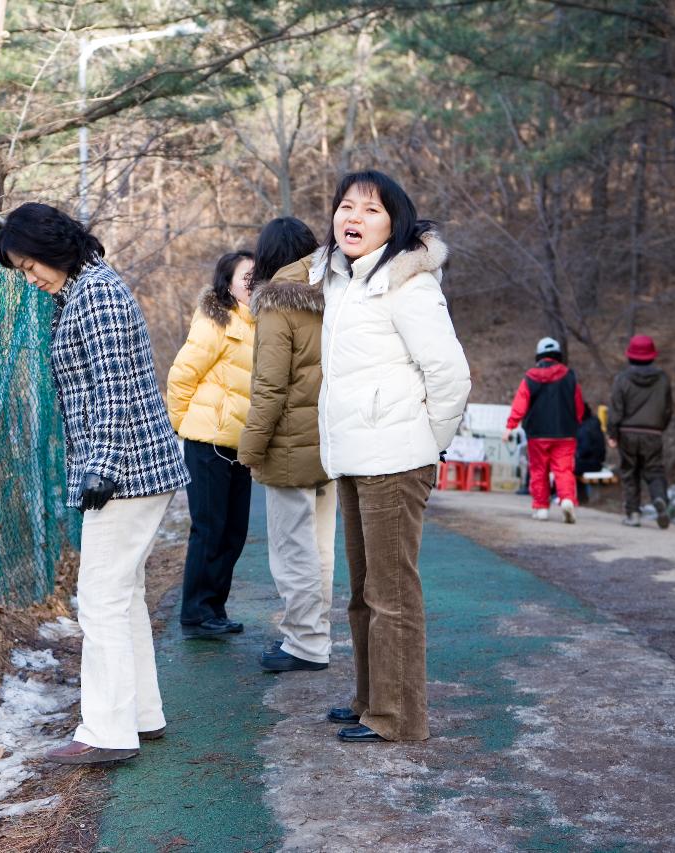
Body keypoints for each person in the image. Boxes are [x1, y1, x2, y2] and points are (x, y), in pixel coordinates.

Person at [0, 202, 189, 766]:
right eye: (22, 270)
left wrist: (100, 469)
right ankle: (139, 715)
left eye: (32, 264)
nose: (30, 277)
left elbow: (114, 390)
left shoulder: (97, 294)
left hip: (125, 470)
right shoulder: (81, 292)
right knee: (121, 596)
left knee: (101, 600)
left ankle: (107, 730)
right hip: (127, 467)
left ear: (55, 248)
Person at [300, 170, 470, 743]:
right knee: (363, 592)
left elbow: (450, 374)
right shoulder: (342, 282)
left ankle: (397, 717)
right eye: (345, 207)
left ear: (395, 224)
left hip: (396, 459)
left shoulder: (407, 284)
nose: (352, 218)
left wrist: (429, 442)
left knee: (392, 593)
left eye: (370, 210)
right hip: (354, 455)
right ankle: (371, 698)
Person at [238, 219, 338, 674]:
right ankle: (316, 635)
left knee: (292, 548)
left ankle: (305, 642)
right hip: (333, 441)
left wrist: (249, 448)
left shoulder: (278, 303)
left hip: (289, 446)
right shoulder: (335, 292)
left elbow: (270, 386)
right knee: (320, 545)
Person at [166, 251, 256, 639]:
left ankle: (214, 607)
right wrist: (184, 425)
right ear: (228, 284)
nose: (254, 284)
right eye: (246, 277)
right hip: (208, 443)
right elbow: (182, 374)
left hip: (240, 446)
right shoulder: (215, 321)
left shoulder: (258, 323)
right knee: (209, 528)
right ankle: (196, 613)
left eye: (259, 276)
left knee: (234, 531)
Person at [502, 337, 585, 524]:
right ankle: (566, 500)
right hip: (565, 433)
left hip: (537, 434)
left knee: (539, 470)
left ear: (538, 356)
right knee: (563, 470)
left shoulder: (530, 378)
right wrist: (577, 421)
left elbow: (520, 404)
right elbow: (578, 403)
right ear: (558, 356)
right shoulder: (569, 375)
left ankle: (541, 509)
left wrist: (510, 426)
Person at [608, 334, 673, 528]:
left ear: (630, 355)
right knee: (654, 471)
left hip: (627, 432)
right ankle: (660, 499)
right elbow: (667, 409)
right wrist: (659, 427)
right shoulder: (663, 379)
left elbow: (616, 409)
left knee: (629, 472)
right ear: (652, 355)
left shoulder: (622, 378)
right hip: (653, 433)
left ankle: (633, 513)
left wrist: (613, 432)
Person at [573, 403, 607, 505]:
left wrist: (575, 454)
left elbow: (584, 449)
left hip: (590, 463)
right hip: (597, 462)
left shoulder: (585, 427)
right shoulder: (594, 423)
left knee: (567, 467)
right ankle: (580, 497)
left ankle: (575, 497)